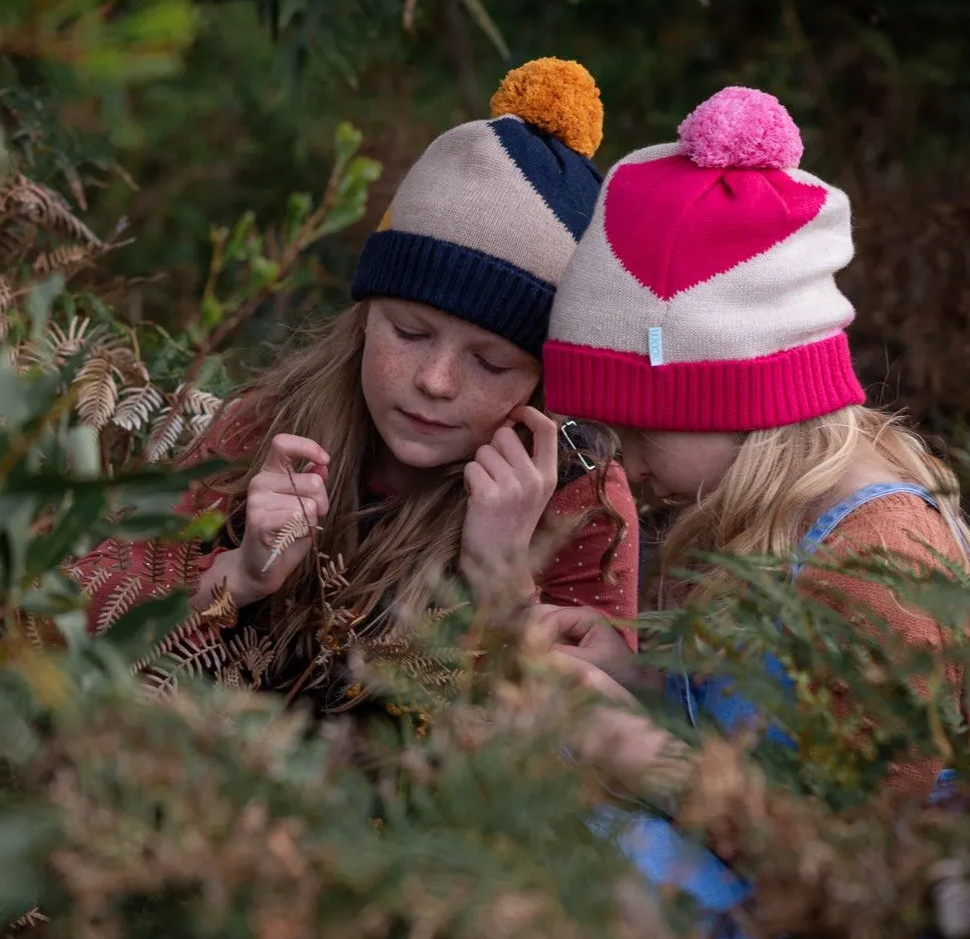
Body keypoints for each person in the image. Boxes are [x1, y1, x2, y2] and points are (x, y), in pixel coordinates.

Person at [482, 87, 970, 939]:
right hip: (769, 935)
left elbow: (868, 882)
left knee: (564, 828)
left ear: (741, 391)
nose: (617, 450)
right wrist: (631, 670)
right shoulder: (749, 511)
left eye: (635, 416)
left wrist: (645, 758)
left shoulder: (879, 566)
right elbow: (762, 728)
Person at [72, 58, 638, 713]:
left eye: (490, 363)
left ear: (543, 381)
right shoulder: (272, 427)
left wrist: (501, 586)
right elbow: (73, 614)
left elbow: (583, 765)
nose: (434, 381)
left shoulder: (581, 501)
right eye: (409, 331)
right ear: (364, 317)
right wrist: (239, 577)